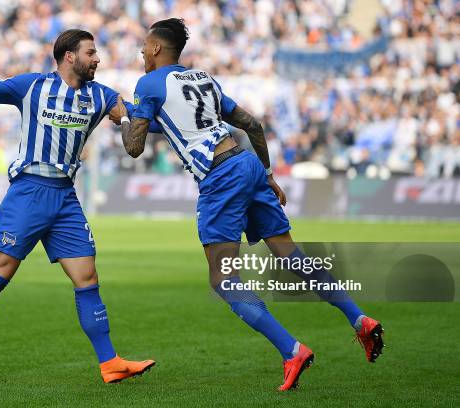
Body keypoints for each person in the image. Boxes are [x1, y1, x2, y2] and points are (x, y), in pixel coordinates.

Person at [116, 18, 384, 391]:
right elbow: (251, 125)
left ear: (157, 48)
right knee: (292, 257)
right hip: (247, 163)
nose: (142, 54)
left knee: (224, 280)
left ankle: (292, 350)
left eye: (144, 47)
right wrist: (268, 173)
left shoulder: (148, 83)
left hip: (220, 177)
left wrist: (124, 120)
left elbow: (134, 146)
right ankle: (360, 319)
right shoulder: (203, 79)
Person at [0, 29, 155, 385]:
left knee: (87, 278)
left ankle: (110, 363)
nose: (98, 59)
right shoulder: (33, 86)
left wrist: (162, 116)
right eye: (91, 52)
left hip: (65, 198)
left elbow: (136, 121)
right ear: (69, 56)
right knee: (0, 273)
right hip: (28, 193)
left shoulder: (102, 96)